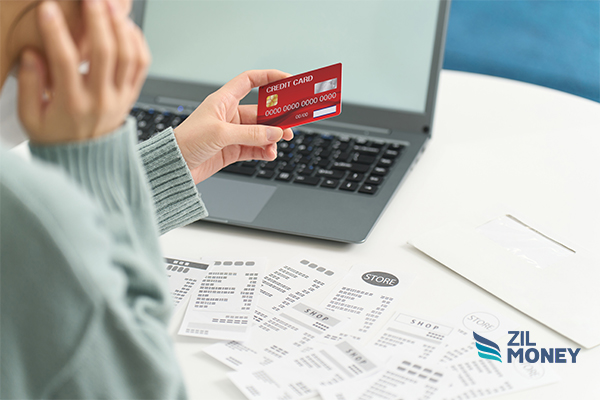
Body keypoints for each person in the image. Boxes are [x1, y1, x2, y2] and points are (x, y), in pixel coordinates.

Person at [0, 0, 292, 398]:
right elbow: (143, 386)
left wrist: (166, 168)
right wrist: (91, 155)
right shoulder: (20, 204)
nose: (124, 14)